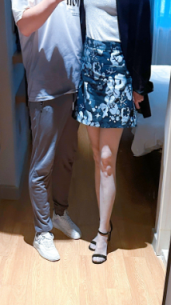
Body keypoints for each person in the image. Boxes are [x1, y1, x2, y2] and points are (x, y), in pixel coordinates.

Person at [75, 0, 153, 264]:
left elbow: (142, 33)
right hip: (89, 68)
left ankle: (103, 233)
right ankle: (104, 223)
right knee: (97, 155)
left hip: (118, 70)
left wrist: (140, 85)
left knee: (108, 160)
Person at [12, 0, 84, 262]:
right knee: (42, 166)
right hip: (45, 88)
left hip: (74, 85)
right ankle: (42, 231)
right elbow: (24, 24)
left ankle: (60, 214)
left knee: (66, 159)